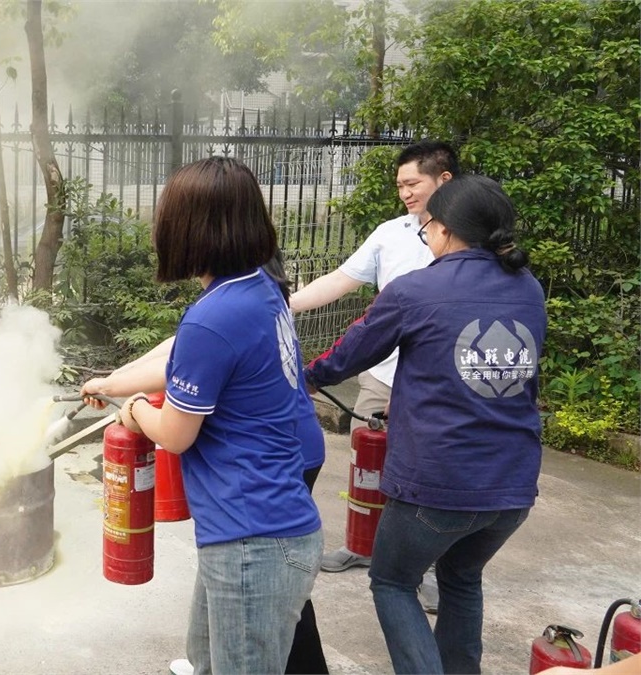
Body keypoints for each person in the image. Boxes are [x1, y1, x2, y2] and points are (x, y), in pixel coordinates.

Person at [304, 175, 546, 674]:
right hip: (513, 487)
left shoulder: (415, 289)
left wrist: (302, 376)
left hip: (439, 484)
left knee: (393, 582)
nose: (426, 235)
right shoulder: (528, 288)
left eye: (426, 227)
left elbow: (348, 356)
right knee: (462, 577)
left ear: (445, 229)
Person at [112, 156, 324, 674]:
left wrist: (133, 410)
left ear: (190, 228)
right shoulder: (260, 290)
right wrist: (116, 383)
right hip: (259, 527)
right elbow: (189, 364)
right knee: (205, 661)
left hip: (251, 538)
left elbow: (175, 435)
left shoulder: (215, 316)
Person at [290, 141, 459, 613]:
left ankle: (427, 568)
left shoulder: (466, 238)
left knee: (425, 473)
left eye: (413, 183)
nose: (405, 193)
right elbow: (340, 280)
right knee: (368, 461)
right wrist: (283, 304)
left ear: (443, 179)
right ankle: (362, 543)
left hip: (435, 382)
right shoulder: (391, 233)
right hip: (382, 375)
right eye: (400, 185)